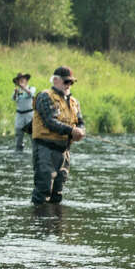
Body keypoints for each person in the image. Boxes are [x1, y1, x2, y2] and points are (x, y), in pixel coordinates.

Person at [30, 65, 85, 205]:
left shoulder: (74, 102)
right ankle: (39, 225)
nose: (69, 85)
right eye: (66, 81)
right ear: (55, 81)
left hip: (64, 152)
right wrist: (71, 131)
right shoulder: (45, 97)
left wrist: (80, 131)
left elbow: (80, 122)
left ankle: (56, 225)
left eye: (71, 82)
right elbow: (50, 122)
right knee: (43, 191)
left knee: (57, 195)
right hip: (45, 150)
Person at [11, 72, 36, 151]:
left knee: (32, 133)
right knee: (19, 132)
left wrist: (24, 88)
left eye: (22, 80)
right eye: (19, 80)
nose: (21, 82)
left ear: (26, 81)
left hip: (29, 114)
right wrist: (15, 93)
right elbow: (13, 99)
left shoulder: (31, 88)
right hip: (20, 115)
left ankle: (35, 149)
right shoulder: (17, 91)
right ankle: (19, 149)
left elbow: (31, 94)